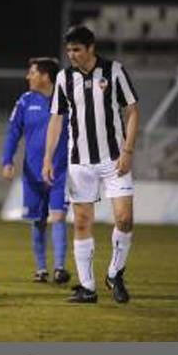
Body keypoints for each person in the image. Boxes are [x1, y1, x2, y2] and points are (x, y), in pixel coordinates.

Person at [43, 25, 139, 304]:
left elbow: (132, 111)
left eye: (77, 49)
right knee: (82, 222)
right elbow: (56, 119)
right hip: (79, 162)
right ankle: (88, 287)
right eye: (69, 50)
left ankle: (115, 273)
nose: (72, 55)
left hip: (114, 159)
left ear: (91, 47)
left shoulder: (114, 71)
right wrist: (48, 158)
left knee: (124, 218)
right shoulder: (64, 78)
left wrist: (128, 150)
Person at [2, 57, 71, 284]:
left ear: (44, 76)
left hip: (61, 171)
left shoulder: (67, 101)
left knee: (58, 216)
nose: (28, 77)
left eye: (32, 73)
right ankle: (41, 269)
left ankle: (60, 268)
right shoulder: (25, 101)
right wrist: (7, 160)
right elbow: (13, 132)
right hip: (32, 172)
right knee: (38, 220)